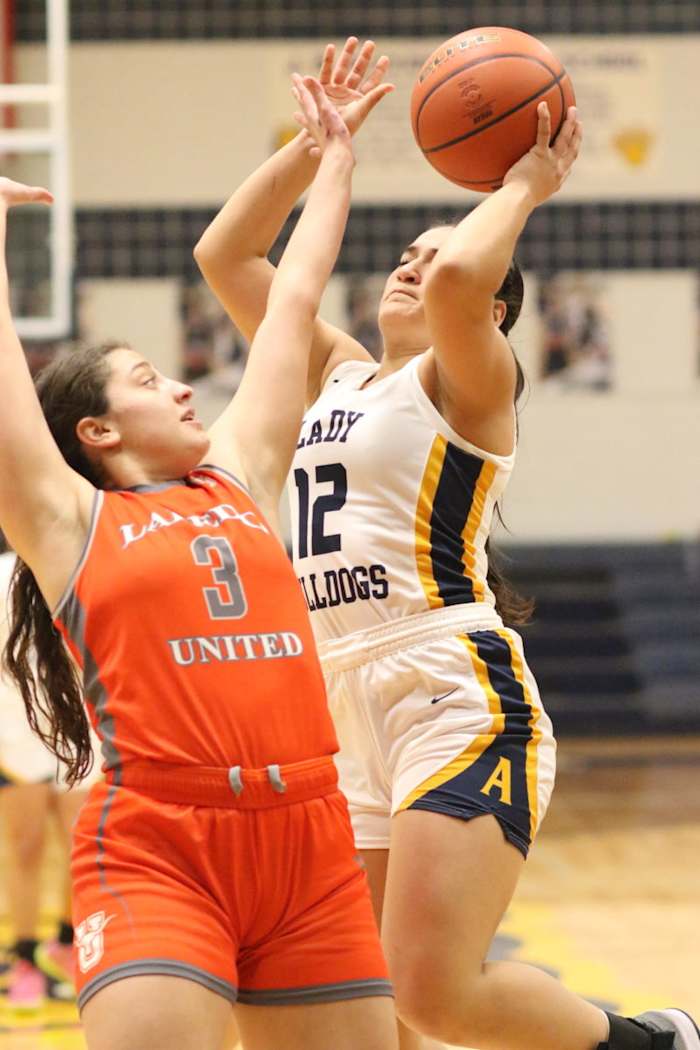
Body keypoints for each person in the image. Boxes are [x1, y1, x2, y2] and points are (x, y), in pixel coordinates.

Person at [196, 36, 700, 1050]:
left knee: (434, 992)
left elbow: (470, 272)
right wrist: (314, 146)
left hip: (445, 685)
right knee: (369, 999)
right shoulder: (333, 374)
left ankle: (654, 1042)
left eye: (433, 259)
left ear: (490, 315)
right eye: (405, 254)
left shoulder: (470, 384)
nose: (414, 265)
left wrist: (524, 182)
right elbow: (227, 257)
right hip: (334, 701)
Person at [0, 76, 399, 1050]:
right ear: (95, 430)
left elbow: (293, 299)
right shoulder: (64, 517)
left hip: (308, 837)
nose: (182, 387)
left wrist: (334, 160)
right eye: (148, 380)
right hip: (158, 845)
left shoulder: (241, 475)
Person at [0, 538, 100, 1010]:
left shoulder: (70, 563)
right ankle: (22, 956)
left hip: (73, 728)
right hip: (13, 733)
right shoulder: (6, 575)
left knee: (83, 842)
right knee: (26, 845)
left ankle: (66, 941)